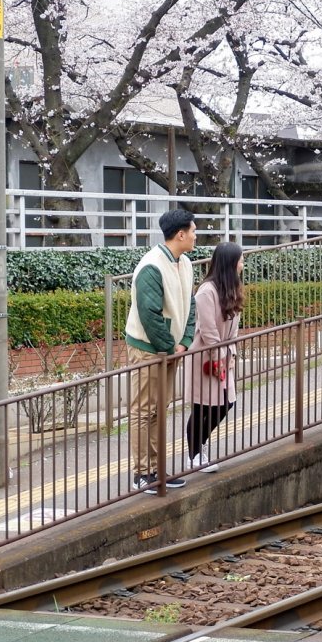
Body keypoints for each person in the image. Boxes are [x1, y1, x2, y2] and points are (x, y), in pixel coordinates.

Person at [124, 209, 197, 493]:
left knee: (158, 410)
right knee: (143, 411)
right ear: (180, 234)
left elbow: (189, 306)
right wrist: (171, 347)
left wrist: (184, 341)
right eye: (193, 231)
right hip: (148, 349)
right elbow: (149, 315)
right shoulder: (151, 266)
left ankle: (156, 469)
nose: (195, 236)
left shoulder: (185, 263)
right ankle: (142, 473)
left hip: (170, 349)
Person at [185, 242, 244, 472]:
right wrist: (220, 357)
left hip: (223, 356)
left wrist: (231, 354)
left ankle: (198, 446)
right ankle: (194, 455)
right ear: (230, 263)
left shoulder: (232, 288)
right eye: (240, 260)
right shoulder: (206, 291)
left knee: (226, 403)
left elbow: (234, 329)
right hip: (204, 358)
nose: (242, 264)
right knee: (202, 406)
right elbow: (208, 331)